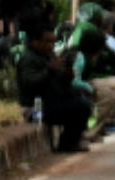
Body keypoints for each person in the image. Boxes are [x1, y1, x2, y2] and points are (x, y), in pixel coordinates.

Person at [13, 9, 94, 151]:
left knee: (82, 96)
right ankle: (68, 143)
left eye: (52, 42)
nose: (50, 46)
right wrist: (50, 71)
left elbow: (58, 84)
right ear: (34, 41)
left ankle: (72, 139)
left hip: (51, 102)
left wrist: (67, 75)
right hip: (35, 107)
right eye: (47, 42)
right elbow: (30, 85)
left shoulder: (48, 56)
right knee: (81, 106)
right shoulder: (28, 59)